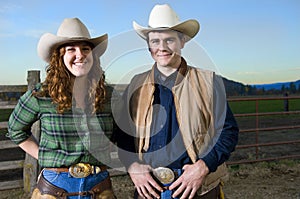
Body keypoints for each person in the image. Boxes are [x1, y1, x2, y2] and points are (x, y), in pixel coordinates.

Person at [113, 4, 239, 199]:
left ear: (183, 41)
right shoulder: (136, 84)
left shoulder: (208, 82)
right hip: (150, 189)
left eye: (169, 40)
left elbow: (228, 132)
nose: (162, 47)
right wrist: (133, 166)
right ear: (149, 46)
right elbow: (123, 134)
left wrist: (203, 167)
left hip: (196, 188)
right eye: (155, 41)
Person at [7, 18, 116, 199]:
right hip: (54, 188)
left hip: (99, 188)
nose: (80, 55)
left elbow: (124, 136)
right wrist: (44, 156)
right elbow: (15, 129)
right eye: (71, 49)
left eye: (85, 49)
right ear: (60, 56)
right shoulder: (41, 95)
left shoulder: (109, 96)